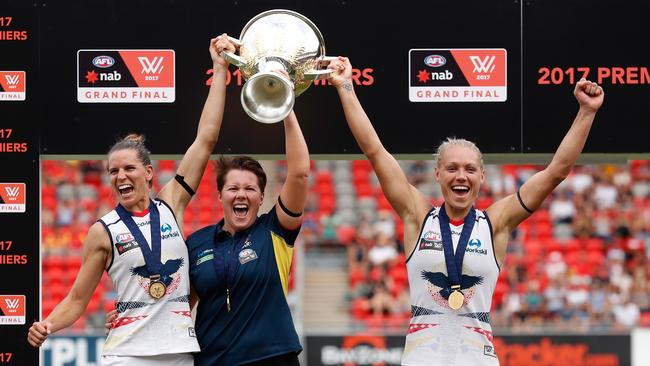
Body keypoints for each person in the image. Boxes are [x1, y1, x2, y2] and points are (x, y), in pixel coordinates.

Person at [328, 56, 603, 365]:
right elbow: (374, 151)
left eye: (470, 169)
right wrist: (345, 86)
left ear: (482, 177)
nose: (461, 176)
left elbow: (556, 172)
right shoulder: (417, 215)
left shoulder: (496, 223)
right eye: (452, 168)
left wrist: (587, 111)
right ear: (437, 175)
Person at [27, 34, 233, 366]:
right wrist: (48, 324)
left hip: (179, 352)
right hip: (126, 354)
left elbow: (206, 139)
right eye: (113, 171)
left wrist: (220, 68)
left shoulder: (171, 204)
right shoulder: (102, 231)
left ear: (149, 172)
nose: (120, 176)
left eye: (128, 169)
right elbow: (78, 299)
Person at [187, 105, 309, 365]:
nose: (241, 194)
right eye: (233, 188)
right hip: (213, 360)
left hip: (273, 357)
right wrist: (136, 319)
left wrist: (285, 107)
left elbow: (299, 174)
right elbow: (179, 307)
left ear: (262, 197)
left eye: (250, 189)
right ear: (220, 195)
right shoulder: (196, 243)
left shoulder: (275, 230)